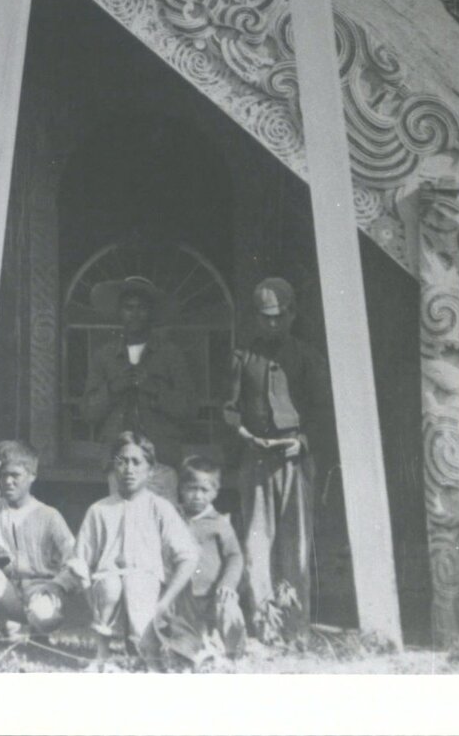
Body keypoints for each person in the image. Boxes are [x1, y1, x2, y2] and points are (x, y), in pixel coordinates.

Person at [224, 276, 327, 641]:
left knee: (295, 543)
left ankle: (295, 627)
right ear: (255, 318)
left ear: (292, 314)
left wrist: (304, 441)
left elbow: (323, 411)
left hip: (294, 459)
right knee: (256, 543)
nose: (272, 323)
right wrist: (241, 433)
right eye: (265, 316)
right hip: (255, 460)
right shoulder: (243, 357)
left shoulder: (307, 357)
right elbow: (230, 408)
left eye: (279, 316)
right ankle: (264, 625)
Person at [67, 432, 202, 668]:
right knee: (110, 584)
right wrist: (88, 591)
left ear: (150, 470)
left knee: (137, 592)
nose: (128, 469)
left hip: (147, 589)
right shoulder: (99, 509)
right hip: (106, 592)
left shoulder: (160, 507)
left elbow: (188, 556)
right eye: (122, 461)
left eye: (136, 462)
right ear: (113, 468)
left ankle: (148, 647)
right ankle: (102, 653)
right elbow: (79, 560)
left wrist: (166, 600)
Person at [84, 276, 198, 486]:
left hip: (161, 462)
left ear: (152, 313)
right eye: (128, 308)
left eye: (142, 308)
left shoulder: (170, 354)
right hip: (119, 464)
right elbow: (89, 412)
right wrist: (114, 388)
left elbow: (189, 409)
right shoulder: (104, 356)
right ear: (119, 312)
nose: (135, 314)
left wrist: (155, 389)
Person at [0, 440, 76, 651]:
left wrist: (57, 586)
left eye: (15, 475)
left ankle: (38, 634)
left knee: (42, 613)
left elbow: (73, 555)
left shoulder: (48, 515)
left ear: (32, 476)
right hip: (7, 592)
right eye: (2, 475)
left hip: (40, 591)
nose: (8, 481)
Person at [161, 456, 246, 663]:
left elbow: (234, 556)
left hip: (214, 594)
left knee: (230, 614)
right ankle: (192, 646)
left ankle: (233, 652)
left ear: (215, 492)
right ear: (181, 489)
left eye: (204, 490)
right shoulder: (174, 518)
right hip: (183, 597)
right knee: (184, 641)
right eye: (191, 488)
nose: (197, 496)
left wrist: (228, 584)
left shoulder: (219, 523)